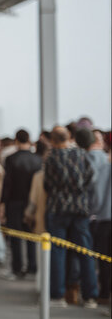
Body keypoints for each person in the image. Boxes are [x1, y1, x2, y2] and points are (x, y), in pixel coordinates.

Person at [44, 126, 97, 308]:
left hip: (57, 208)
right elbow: (92, 177)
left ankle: (58, 297)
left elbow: (47, 184)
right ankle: (90, 297)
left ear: (53, 140)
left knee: (57, 252)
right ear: (69, 137)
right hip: (80, 209)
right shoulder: (82, 155)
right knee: (85, 252)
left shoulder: (51, 158)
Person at [0, 129, 41, 279]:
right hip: (31, 202)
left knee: (15, 237)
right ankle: (32, 267)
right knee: (31, 236)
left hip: (14, 201)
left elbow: (7, 184)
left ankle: (17, 268)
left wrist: (2, 203)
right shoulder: (37, 159)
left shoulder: (10, 159)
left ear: (16, 141)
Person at [81, 129, 111, 304]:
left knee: (104, 259)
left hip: (104, 218)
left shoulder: (105, 168)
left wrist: (94, 211)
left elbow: (98, 195)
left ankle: (105, 294)